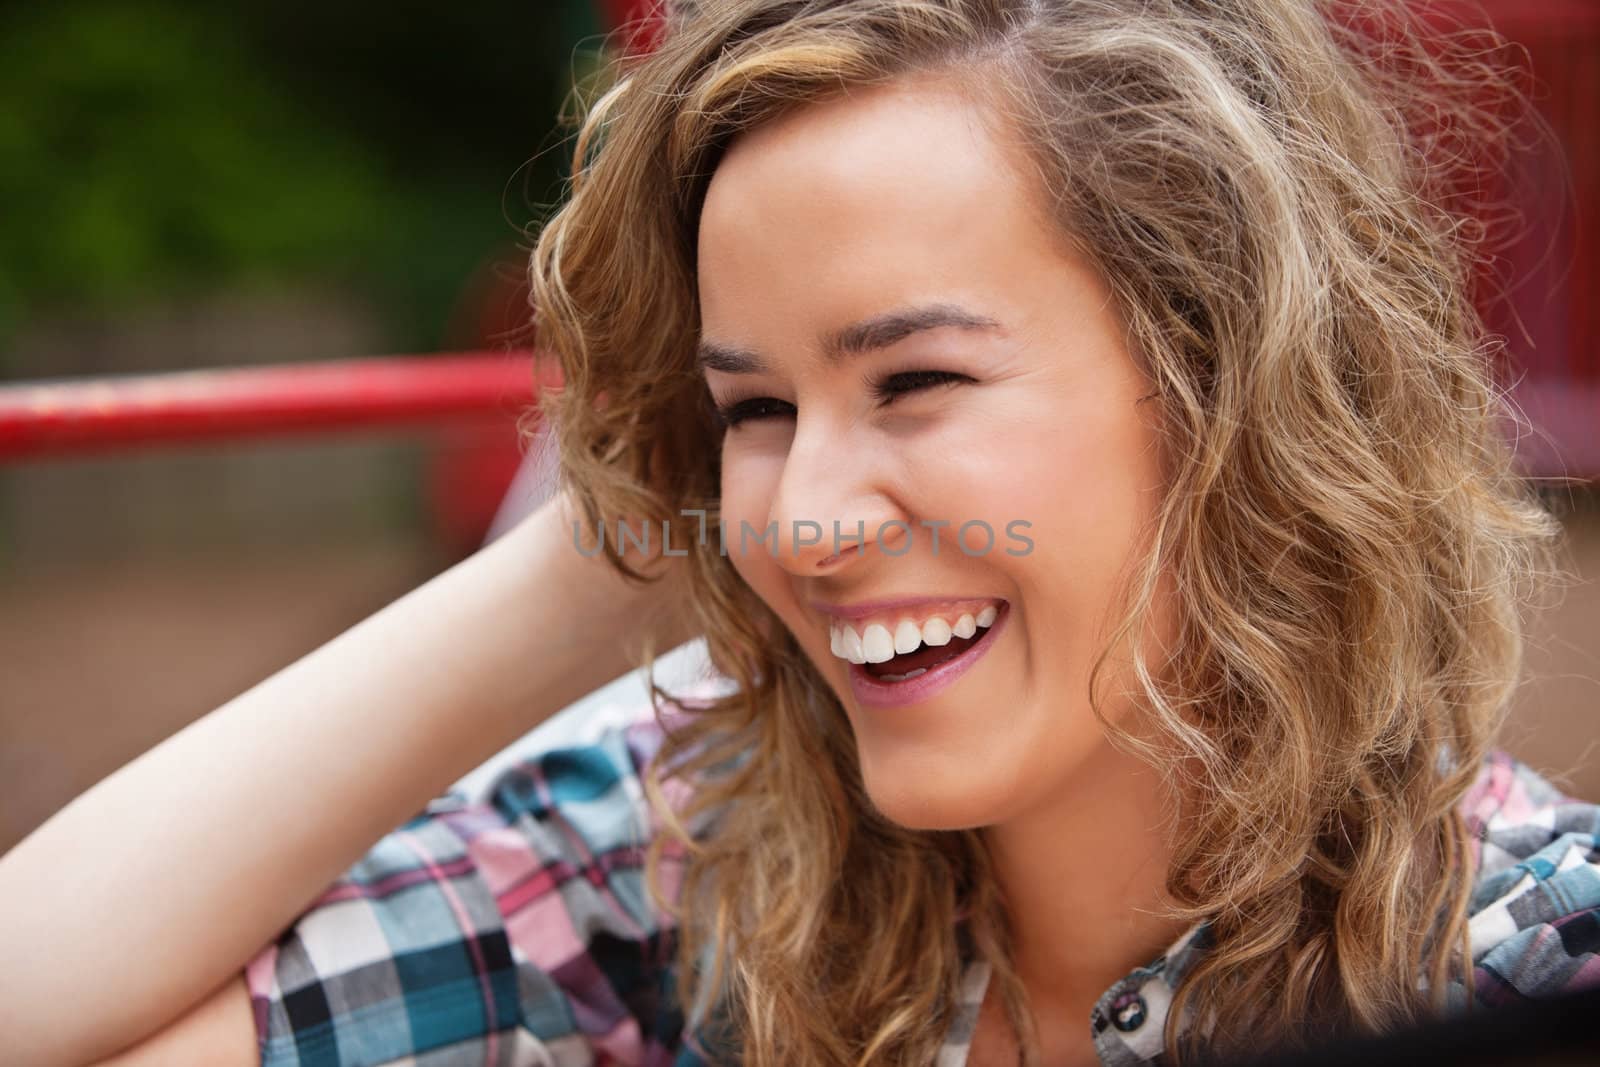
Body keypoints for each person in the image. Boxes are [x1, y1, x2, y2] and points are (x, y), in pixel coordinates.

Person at [2, 1, 1597, 1065]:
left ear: (1236, 388)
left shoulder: (1531, 958)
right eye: (753, 409)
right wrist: (604, 559)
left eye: (914, 379)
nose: (808, 519)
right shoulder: (698, 858)